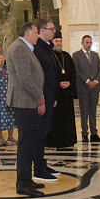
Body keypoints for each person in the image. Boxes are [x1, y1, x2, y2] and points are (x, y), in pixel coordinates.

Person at [6, 23, 46, 197]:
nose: (38, 36)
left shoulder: (24, 47)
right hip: (24, 101)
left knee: (29, 141)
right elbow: (25, 78)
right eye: (36, 33)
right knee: (25, 143)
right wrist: (39, 96)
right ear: (28, 33)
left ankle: (27, 179)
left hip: (27, 101)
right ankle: (22, 183)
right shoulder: (20, 48)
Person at [32, 18, 59, 182]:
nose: (54, 31)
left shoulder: (47, 49)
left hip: (49, 98)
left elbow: (51, 75)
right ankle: (38, 169)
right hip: (41, 99)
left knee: (44, 133)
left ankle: (42, 163)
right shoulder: (37, 50)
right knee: (39, 134)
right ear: (42, 30)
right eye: (51, 29)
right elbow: (37, 77)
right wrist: (41, 100)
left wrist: (53, 97)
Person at [47, 32, 76, 149]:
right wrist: (58, 83)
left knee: (67, 117)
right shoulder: (49, 56)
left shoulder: (67, 56)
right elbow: (48, 74)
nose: (58, 43)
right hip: (56, 92)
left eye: (60, 41)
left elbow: (73, 72)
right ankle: (55, 141)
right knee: (55, 118)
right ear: (52, 42)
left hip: (67, 93)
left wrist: (70, 82)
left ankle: (68, 140)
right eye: (56, 41)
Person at [72, 35, 100, 143]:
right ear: (82, 43)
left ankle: (94, 133)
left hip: (94, 87)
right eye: (87, 42)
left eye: (90, 42)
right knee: (84, 111)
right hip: (83, 87)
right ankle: (85, 133)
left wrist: (95, 81)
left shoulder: (95, 55)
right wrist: (87, 81)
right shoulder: (76, 55)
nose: (89, 44)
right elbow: (76, 71)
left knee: (93, 111)